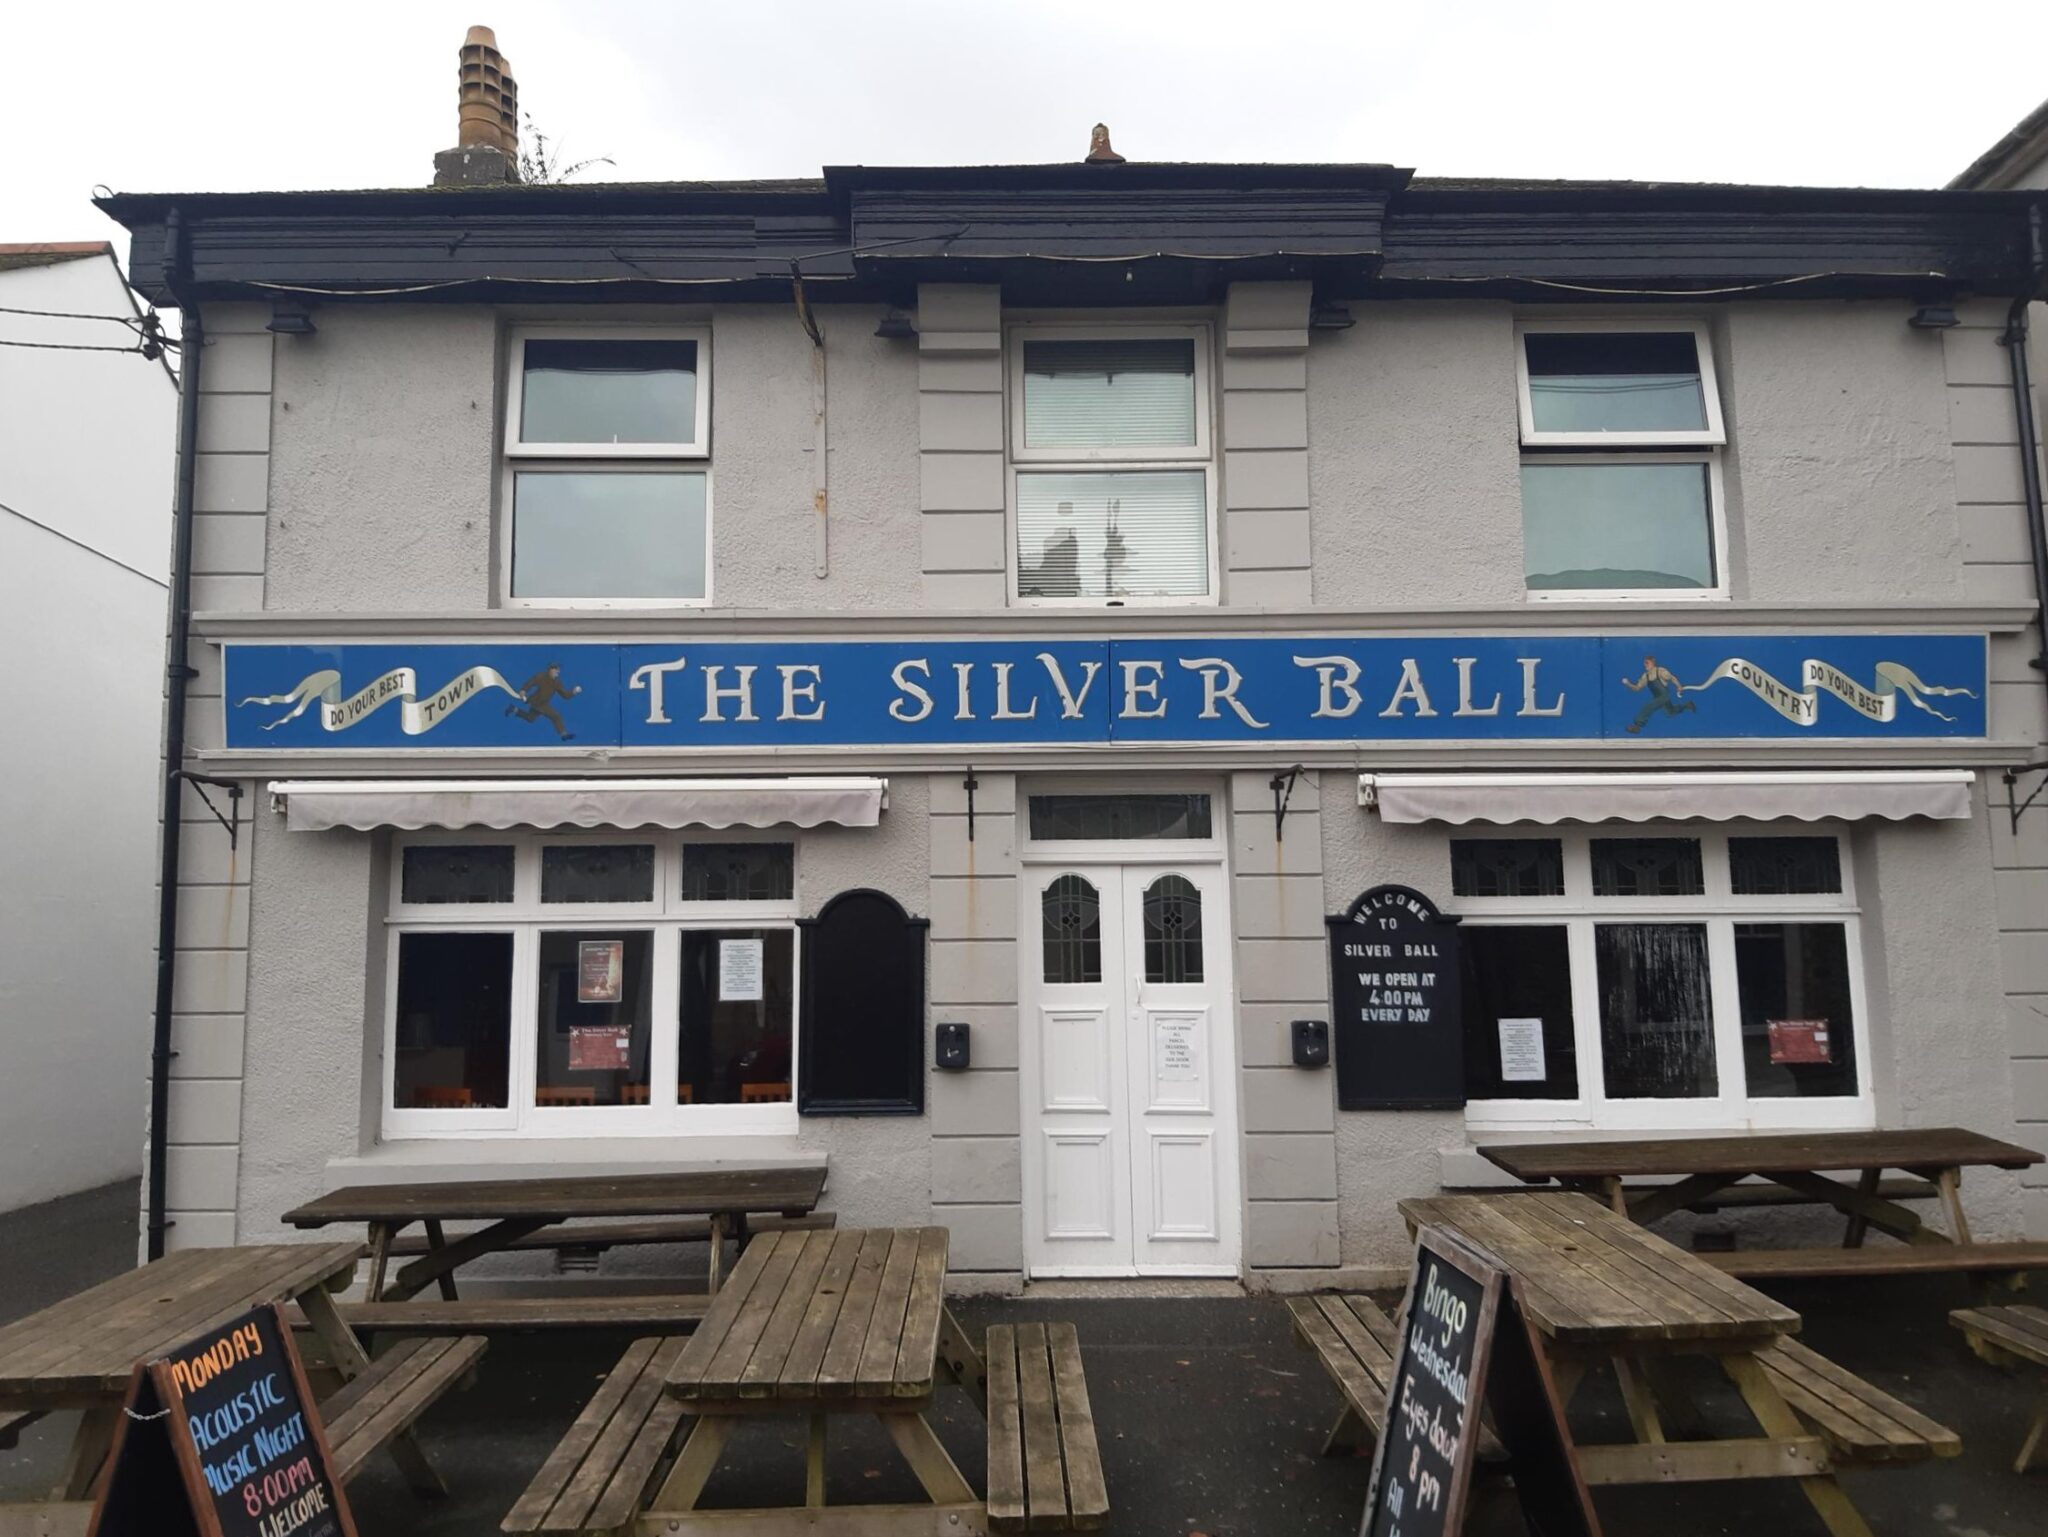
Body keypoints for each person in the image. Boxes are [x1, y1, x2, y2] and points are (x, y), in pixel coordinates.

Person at [1622, 655, 1696, 733]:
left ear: (1653, 662)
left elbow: (1672, 678)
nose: (1645, 665)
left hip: (1664, 696)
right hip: (1658, 698)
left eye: (1647, 663)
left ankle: (1637, 726)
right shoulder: (1645, 676)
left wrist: (1679, 686)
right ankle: (1688, 705)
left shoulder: (1660, 671)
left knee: (1649, 706)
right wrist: (1628, 684)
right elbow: (1637, 688)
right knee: (1670, 713)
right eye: (1644, 663)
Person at [506, 663, 581, 740]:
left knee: (530, 718)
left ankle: (513, 709)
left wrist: (573, 692)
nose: (558, 673)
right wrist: (523, 690)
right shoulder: (541, 676)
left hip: (542, 703)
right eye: (556, 671)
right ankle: (563, 735)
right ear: (551, 670)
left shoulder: (557, 682)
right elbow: (530, 682)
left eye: (558, 672)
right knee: (556, 716)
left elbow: (565, 695)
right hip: (538, 702)